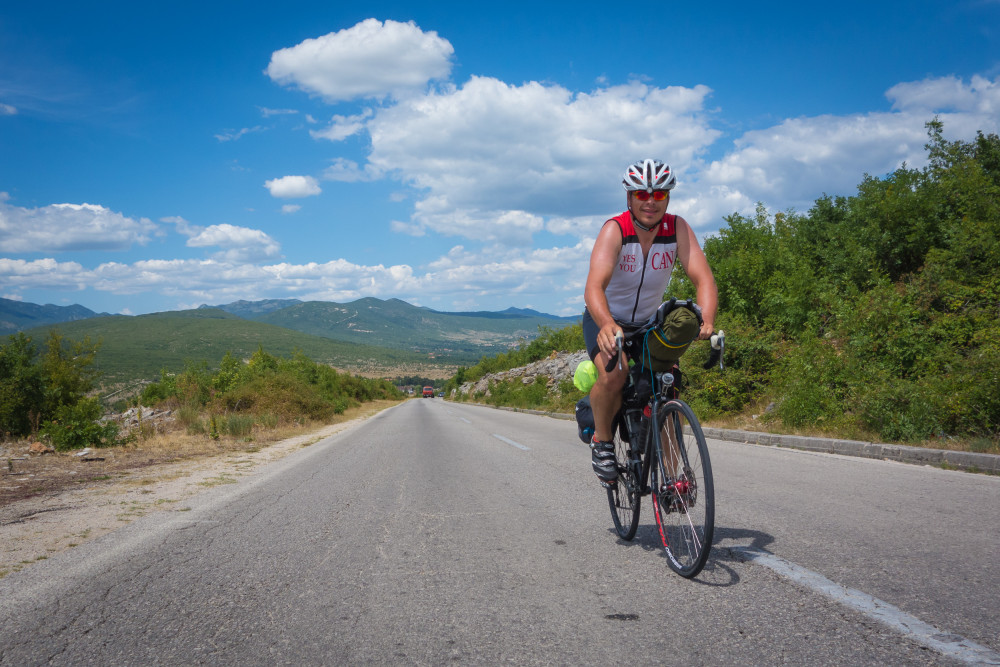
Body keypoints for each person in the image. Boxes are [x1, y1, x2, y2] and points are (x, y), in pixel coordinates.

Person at [583, 159, 718, 486]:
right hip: (606, 318)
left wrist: (708, 319)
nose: (650, 201)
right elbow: (593, 286)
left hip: (648, 323)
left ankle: (674, 477)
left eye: (659, 195)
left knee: (665, 387)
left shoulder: (677, 229)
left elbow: (704, 279)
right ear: (629, 197)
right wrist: (604, 323)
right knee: (616, 374)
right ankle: (602, 443)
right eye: (642, 193)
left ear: (667, 198)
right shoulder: (615, 230)